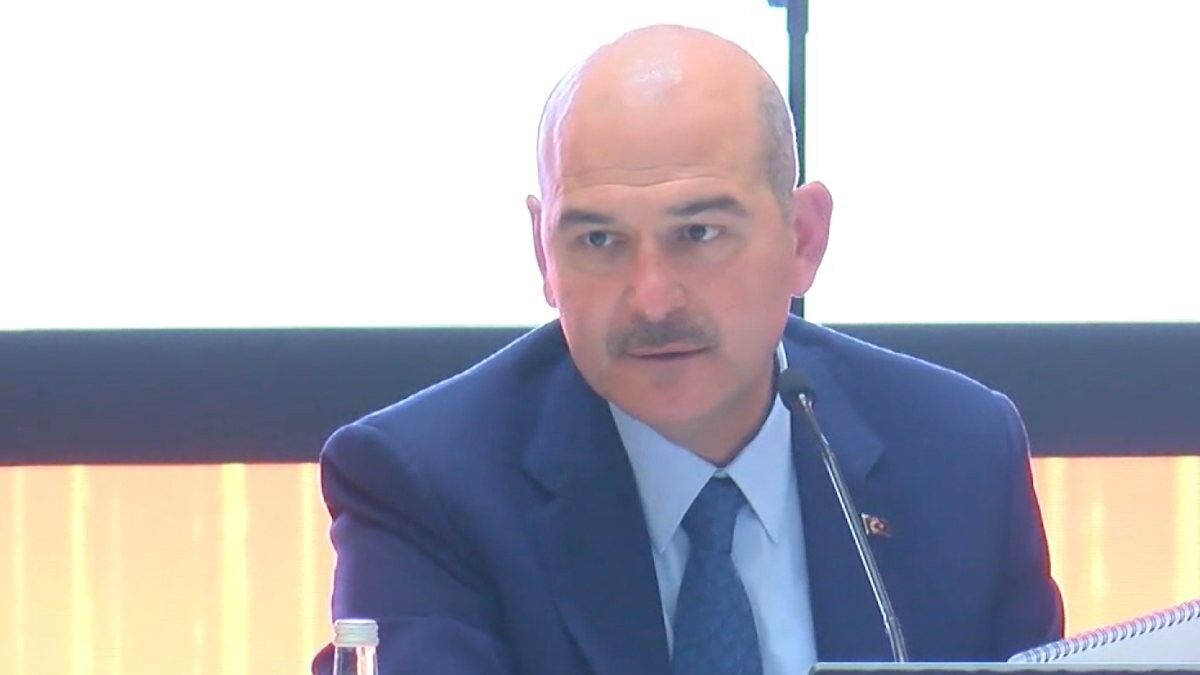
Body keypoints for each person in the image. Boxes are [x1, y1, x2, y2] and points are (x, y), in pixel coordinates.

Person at [313, 24, 1062, 675]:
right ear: (544, 253)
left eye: (698, 234)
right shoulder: (424, 485)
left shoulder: (959, 453)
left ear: (803, 239)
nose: (652, 300)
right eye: (598, 240)